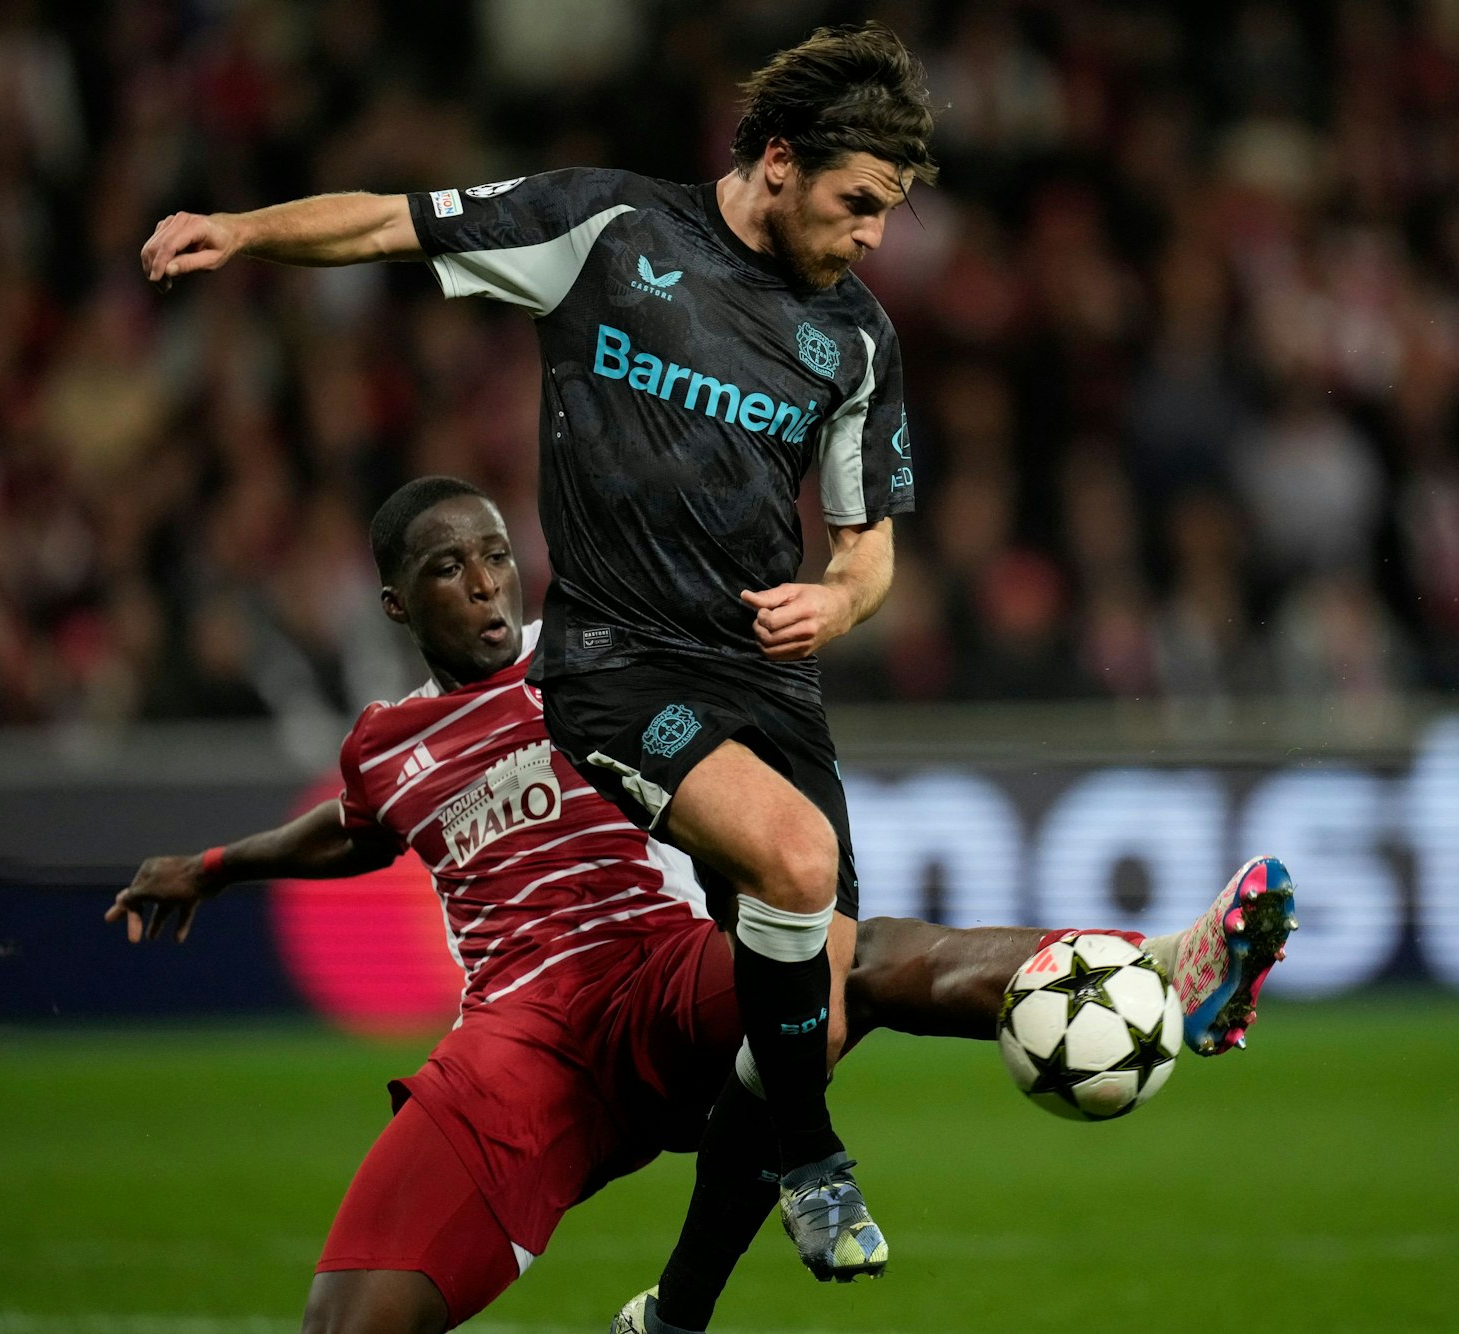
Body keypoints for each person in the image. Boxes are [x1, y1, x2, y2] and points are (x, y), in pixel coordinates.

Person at [139, 22, 940, 1299]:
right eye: (858, 204)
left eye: (887, 213)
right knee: (802, 877)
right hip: (619, 667)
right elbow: (391, 223)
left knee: (816, 998)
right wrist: (244, 229)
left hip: (764, 682)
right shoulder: (603, 230)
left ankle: (678, 1305)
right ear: (778, 162)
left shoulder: (853, 340)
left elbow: (869, 552)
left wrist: (834, 608)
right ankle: (815, 1153)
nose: (873, 238)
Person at [107, 477, 1297, 1334]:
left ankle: (1161, 967)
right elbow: (354, 826)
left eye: (492, 556)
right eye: (444, 568)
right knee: (346, 1319)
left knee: (843, 952)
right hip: (515, 1040)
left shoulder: (588, 651)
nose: (480, 582)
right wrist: (216, 866)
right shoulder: (383, 742)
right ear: (393, 604)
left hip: (653, 969)